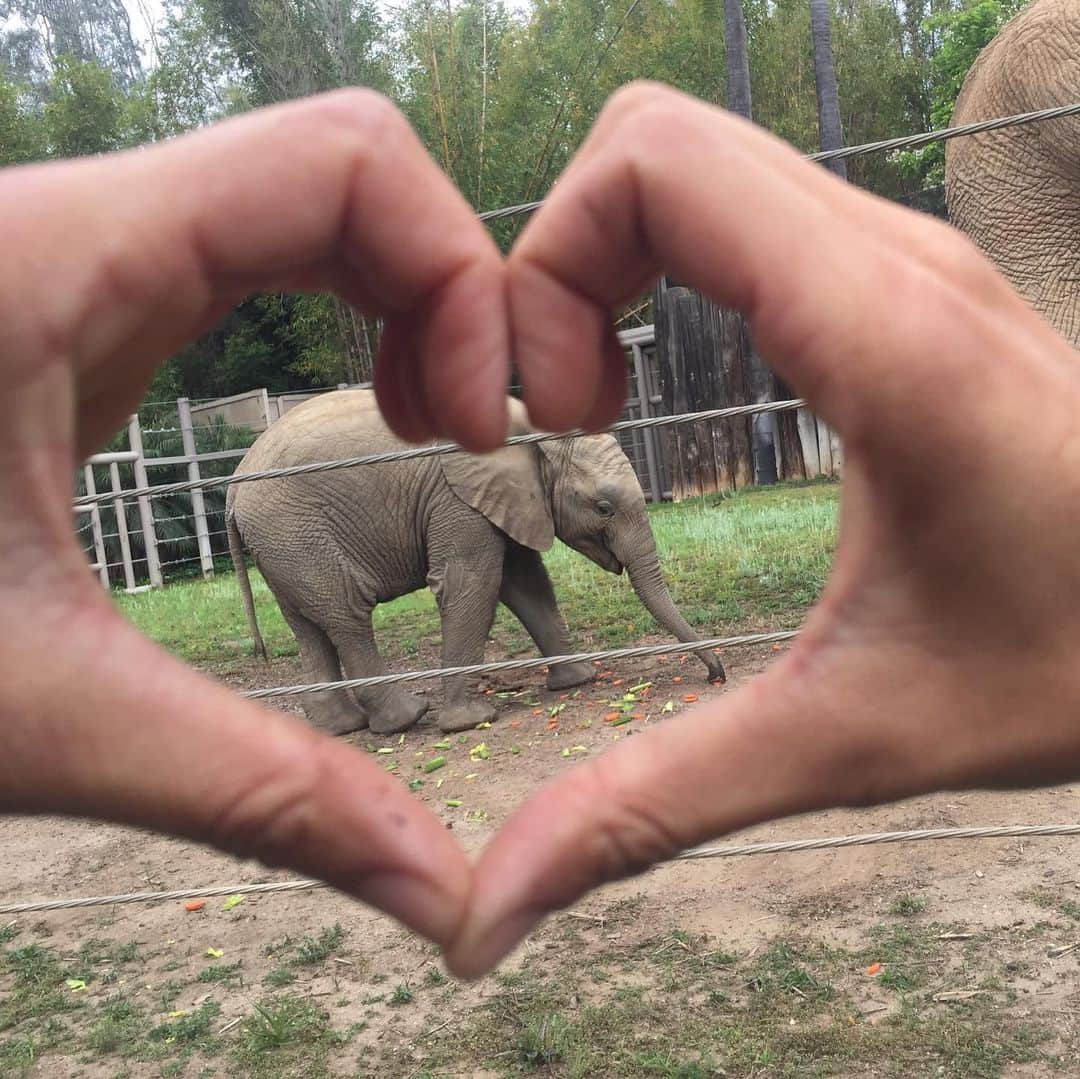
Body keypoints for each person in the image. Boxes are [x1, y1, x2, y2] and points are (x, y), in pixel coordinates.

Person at [2, 83, 1078, 980]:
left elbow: (525, 569)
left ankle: (385, 686)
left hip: (280, 483)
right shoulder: (489, 478)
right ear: (538, 489)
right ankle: (377, 692)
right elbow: (472, 583)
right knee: (359, 621)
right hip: (288, 495)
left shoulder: (512, 471)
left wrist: (573, 649)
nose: (610, 531)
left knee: (448, 602)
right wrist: (454, 683)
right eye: (599, 514)